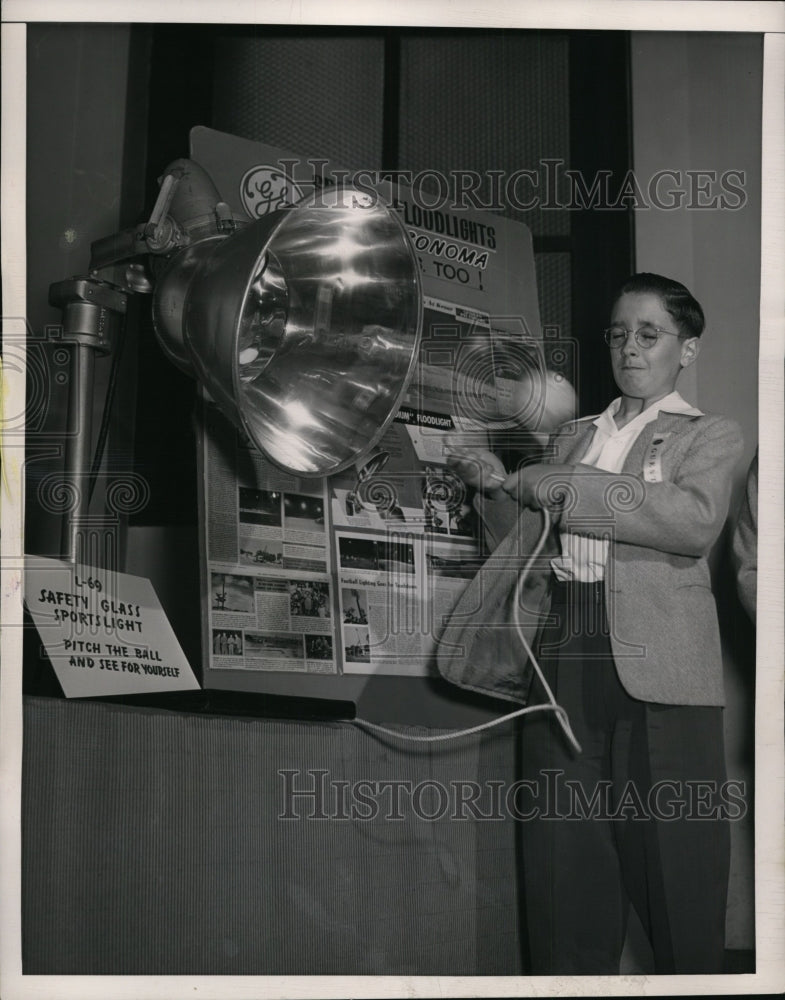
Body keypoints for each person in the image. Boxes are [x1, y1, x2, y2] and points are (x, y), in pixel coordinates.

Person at [439, 273, 744, 975]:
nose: (628, 347)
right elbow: (520, 546)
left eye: (648, 334)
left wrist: (539, 482)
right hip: (561, 647)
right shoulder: (572, 436)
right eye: (616, 333)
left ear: (686, 349)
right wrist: (492, 487)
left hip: (662, 671)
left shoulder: (708, 436)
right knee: (561, 861)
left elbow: (690, 522)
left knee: (677, 871)